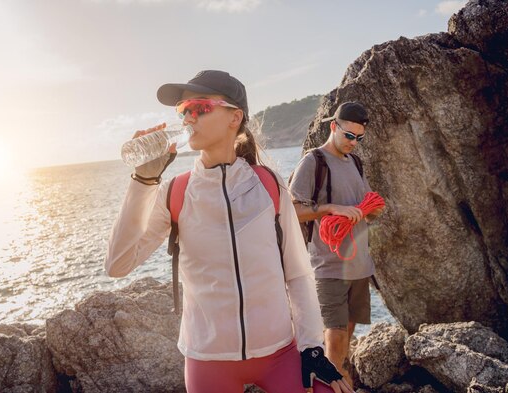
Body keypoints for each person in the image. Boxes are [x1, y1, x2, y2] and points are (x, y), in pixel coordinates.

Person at [105, 70, 353, 393]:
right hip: (208, 358)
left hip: (278, 351)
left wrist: (312, 346)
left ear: (234, 117)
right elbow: (117, 265)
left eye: (200, 107)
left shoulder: (268, 185)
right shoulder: (174, 192)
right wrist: (143, 182)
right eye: (184, 111)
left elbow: (298, 272)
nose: (189, 117)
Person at [289, 102, 384, 386]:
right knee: (336, 333)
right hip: (328, 266)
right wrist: (331, 209)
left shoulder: (355, 163)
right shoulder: (313, 162)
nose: (354, 142)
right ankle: (333, 384)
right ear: (333, 126)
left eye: (359, 138)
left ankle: (337, 379)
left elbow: (367, 202)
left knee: (347, 334)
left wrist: (373, 209)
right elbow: (292, 210)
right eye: (349, 135)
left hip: (358, 265)